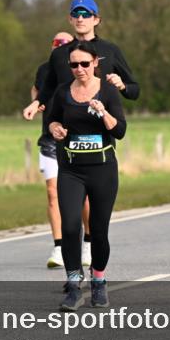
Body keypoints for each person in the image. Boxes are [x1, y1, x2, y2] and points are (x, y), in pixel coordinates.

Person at [23, 0, 138, 270]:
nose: (81, 18)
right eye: (76, 13)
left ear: (97, 19)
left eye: (87, 14)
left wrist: (122, 86)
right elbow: (49, 92)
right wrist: (37, 106)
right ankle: (73, 275)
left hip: (102, 143)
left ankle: (94, 260)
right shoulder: (60, 56)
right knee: (70, 214)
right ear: (70, 19)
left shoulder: (110, 50)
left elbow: (135, 90)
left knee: (98, 223)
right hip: (67, 143)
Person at [48, 41, 127, 310]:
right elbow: (52, 120)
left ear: (95, 63)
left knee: (98, 229)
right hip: (71, 169)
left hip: (102, 170)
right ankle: (73, 284)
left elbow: (120, 131)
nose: (79, 69)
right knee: (70, 226)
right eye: (73, 64)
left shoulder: (107, 91)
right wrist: (56, 128)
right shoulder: (62, 92)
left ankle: (99, 281)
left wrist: (104, 112)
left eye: (84, 63)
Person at [32, 32, 73, 268]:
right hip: (49, 139)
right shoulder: (43, 69)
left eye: (65, 45)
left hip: (75, 138)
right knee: (52, 192)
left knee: (81, 198)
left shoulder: (79, 69)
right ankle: (58, 247)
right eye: (57, 45)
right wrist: (37, 103)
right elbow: (36, 90)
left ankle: (86, 242)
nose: (61, 49)